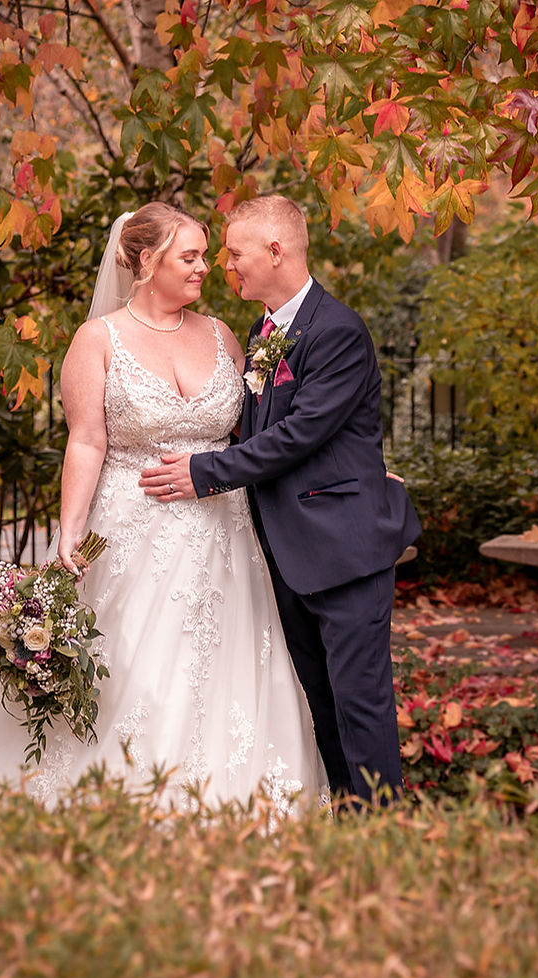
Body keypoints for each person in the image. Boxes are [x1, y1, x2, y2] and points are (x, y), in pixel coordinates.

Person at [0, 202, 327, 815]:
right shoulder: (98, 339)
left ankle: (232, 806)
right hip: (132, 532)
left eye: (207, 256)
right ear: (145, 261)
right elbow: (86, 441)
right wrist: (69, 534)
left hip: (223, 537)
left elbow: (258, 436)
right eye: (190, 257)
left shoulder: (223, 335)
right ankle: (121, 804)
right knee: (135, 668)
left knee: (229, 672)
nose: (205, 269)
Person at [139, 195, 421, 805]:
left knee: (360, 703)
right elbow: (260, 428)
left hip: (344, 550)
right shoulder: (264, 330)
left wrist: (203, 472)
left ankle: (384, 833)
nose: (226, 267)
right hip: (287, 550)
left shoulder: (337, 330)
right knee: (319, 698)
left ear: (276, 250)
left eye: (234, 253)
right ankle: (347, 818)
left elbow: (298, 438)